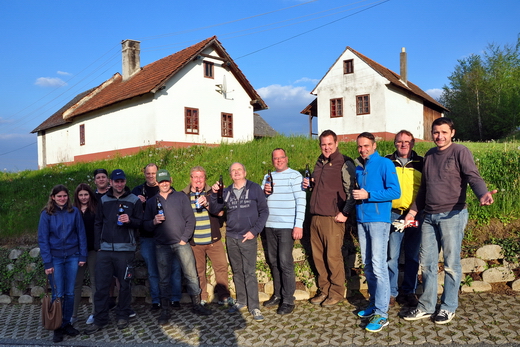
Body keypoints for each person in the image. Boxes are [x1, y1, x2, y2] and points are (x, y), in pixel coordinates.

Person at [404, 117, 497, 324]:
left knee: (451, 264)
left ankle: (448, 307)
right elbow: (424, 188)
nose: (440, 136)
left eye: (444, 132)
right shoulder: (429, 155)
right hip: (429, 216)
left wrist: (482, 194)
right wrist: (413, 211)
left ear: (452, 133)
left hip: (452, 215)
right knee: (427, 264)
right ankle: (427, 305)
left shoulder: (460, 152)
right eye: (436, 132)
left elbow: (473, 176)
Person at [143, 169, 212, 325]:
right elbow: (145, 226)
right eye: (161, 182)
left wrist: (184, 239)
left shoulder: (181, 197)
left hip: (181, 243)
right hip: (162, 246)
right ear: (157, 183)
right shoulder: (151, 202)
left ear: (171, 180)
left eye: (166, 180)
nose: (164, 183)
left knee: (191, 274)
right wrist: (153, 221)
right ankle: (165, 310)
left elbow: (190, 220)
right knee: (164, 279)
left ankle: (196, 305)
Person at [302, 129, 357, 307]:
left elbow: (351, 191)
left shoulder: (344, 162)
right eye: (323, 144)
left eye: (329, 144)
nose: (326, 148)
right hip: (316, 216)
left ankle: (336, 292)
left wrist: (345, 212)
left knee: (333, 257)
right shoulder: (319, 162)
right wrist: (310, 185)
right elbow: (320, 186)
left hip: (334, 218)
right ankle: (324, 290)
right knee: (319, 257)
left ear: (336, 143)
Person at [85, 169, 143, 334]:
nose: (119, 184)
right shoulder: (103, 200)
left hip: (125, 250)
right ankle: (100, 319)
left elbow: (140, 222)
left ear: (125, 181)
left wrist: (130, 220)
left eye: (121, 181)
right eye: (116, 181)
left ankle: (122, 315)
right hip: (105, 251)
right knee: (102, 286)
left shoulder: (134, 200)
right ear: (111, 182)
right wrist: (98, 245)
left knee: (125, 285)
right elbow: (98, 223)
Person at [209, 162, 269, 322]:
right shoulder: (226, 191)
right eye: (233, 170)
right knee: (237, 271)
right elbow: (215, 209)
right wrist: (215, 193)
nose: (236, 172)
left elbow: (264, 211)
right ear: (230, 175)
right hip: (232, 237)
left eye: (239, 169)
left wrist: (254, 231)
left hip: (248, 237)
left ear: (245, 172)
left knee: (249, 272)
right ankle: (241, 301)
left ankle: (254, 307)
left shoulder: (255, 188)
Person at [353, 132, 401, 333]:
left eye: (366, 146)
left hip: (379, 221)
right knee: (368, 265)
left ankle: (382, 314)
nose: (362, 150)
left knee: (379, 266)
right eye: (359, 147)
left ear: (374, 145)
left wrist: (369, 195)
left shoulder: (385, 164)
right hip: (361, 220)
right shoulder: (358, 167)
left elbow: (395, 192)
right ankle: (373, 304)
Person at [38, 185, 87, 343]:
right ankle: (57, 326)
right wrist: (47, 262)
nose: (62, 199)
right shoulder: (46, 214)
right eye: (59, 196)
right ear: (53, 197)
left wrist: (82, 255)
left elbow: (81, 234)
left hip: (73, 256)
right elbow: (43, 239)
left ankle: (66, 323)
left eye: (64, 196)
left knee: (70, 292)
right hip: (55, 258)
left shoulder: (74, 212)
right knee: (58, 294)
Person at [132, 163, 182, 311]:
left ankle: (175, 298)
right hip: (148, 237)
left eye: (153, 173)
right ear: (144, 174)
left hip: (167, 236)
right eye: (148, 173)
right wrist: (136, 201)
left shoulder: (166, 188)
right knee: (153, 270)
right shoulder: (137, 190)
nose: (151, 176)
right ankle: (156, 300)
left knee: (174, 268)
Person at [261, 148, 306, 315]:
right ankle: (278, 295)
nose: (278, 161)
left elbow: (301, 201)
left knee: (285, 261)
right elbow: (262, 199)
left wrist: (298, 225)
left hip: (287, 226)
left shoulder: (295, 176)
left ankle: (288, 299)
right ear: (272, 160)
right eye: (275, 158)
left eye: (281, 158)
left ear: (286, 158)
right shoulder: (268, 177)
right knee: (273, 261)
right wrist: (264, 193)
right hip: (269, 225)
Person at [181, 166, 233, 306]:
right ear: (190, 179)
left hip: (213, 240)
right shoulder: (183, 196)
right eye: (195, 177)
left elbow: (221, 213)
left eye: (201, 177)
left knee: (221, 267)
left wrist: (208, 205)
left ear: (205, 179)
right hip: (195, 242)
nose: (198, 180)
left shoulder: (212, 193)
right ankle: (202, 297)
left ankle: (223, 296)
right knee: (199, 271)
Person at [385, 130, 423, 307]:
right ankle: (392, 292)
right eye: (399, 141)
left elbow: (426, 189)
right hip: (394, 213)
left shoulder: (421, 162)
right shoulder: (387, 161)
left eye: (407, 141)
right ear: (395, 143)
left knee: (412, 256)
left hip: (415, 214)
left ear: (413, 143)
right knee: (392, 255)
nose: (403, 144)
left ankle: (408, 292)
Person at [71, 183, 98, 326]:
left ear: (90, 195)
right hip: (77, 252)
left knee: (95, 282)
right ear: (77, 196)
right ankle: (73, 314)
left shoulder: (96, 209)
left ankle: (94, 313)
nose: (83, 197)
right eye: (81, 195)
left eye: (86, 194)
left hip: (93, 249)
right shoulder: (72, 210)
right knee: (76, 283)